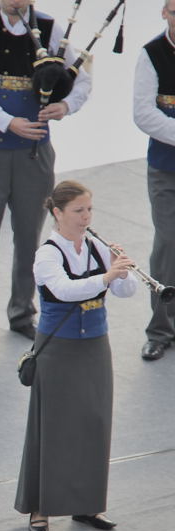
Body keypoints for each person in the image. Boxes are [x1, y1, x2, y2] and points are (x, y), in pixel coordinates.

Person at [0, 0, 90, 348]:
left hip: (34, 155)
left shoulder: (50, 28)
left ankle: (22, 311)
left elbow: (81, 77)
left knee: (30, 236)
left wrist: (66, 106)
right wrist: (6, 121)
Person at [15, 181, 135, 531]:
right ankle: (40, 507)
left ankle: (87, 503)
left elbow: (124, 290)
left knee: (94, 422)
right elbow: (65, 290)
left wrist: (121, 270)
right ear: (58, 213)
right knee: (53, 426)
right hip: (60, 349)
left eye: (89, 210)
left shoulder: (97, 246)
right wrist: (106, 276)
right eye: (78, 211)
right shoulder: (48, 254)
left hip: (95, 344)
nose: (86, 217)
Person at [134, 0, 175, 361]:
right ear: (164, 12)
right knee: (167, 245)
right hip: (166, 170)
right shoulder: (151, 55)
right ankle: (160, 329)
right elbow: (144, 114)